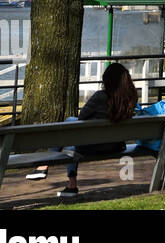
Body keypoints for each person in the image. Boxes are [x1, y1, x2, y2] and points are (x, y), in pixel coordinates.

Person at [28, 62, 139, 199]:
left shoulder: (100, 97)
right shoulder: (131, 98)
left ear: (108, 80)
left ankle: (47, 167)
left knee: (70, 124)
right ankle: (67, 184)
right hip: (116, 146)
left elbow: (81, 117)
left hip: (93, 146)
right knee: (71, 138)